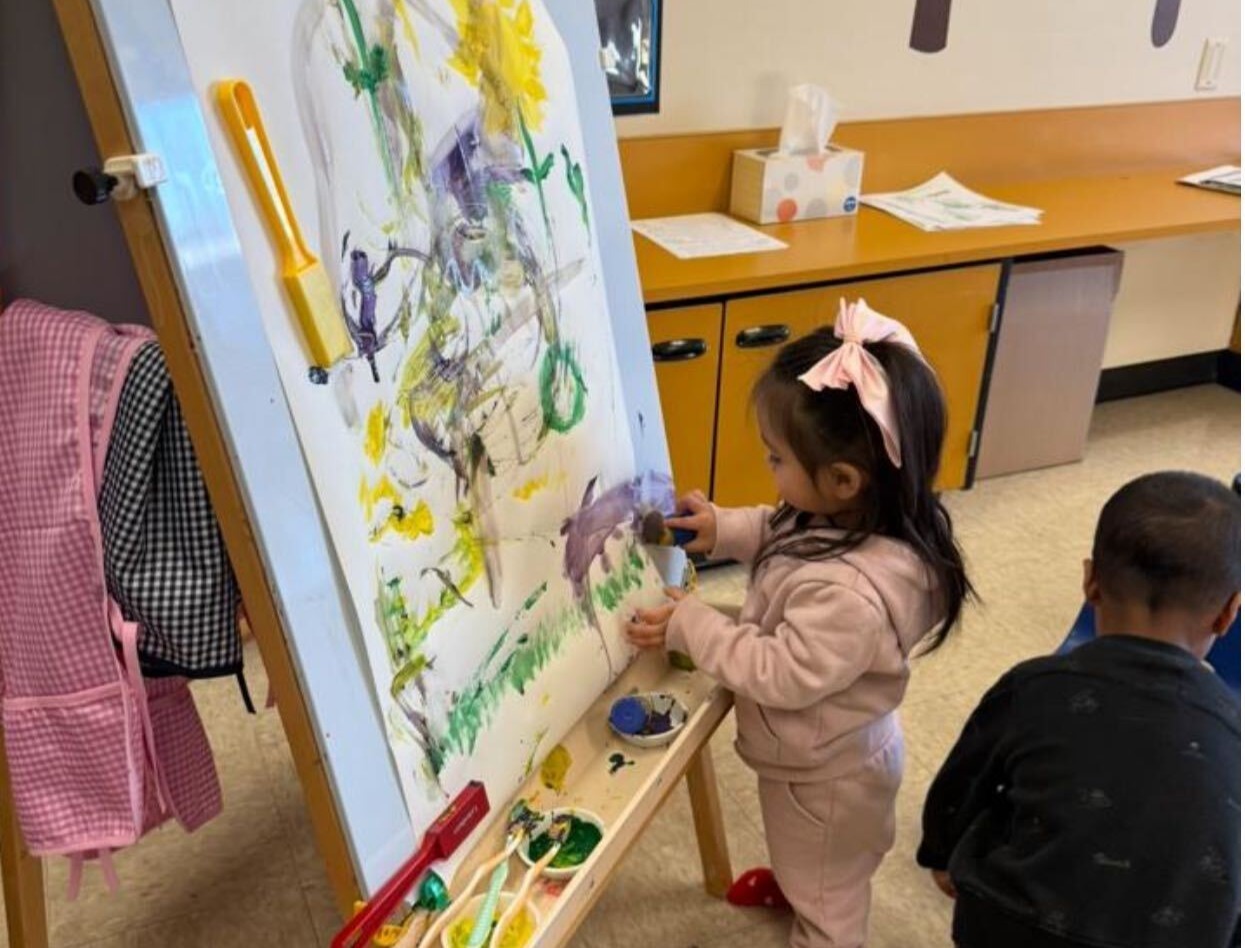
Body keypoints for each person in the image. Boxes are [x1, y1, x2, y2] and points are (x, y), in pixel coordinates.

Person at [626, 299, 972, 948]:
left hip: (827, 777)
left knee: (829, 899)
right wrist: (724, 528)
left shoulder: (849, 595)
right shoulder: (848, 514)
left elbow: (777, 672)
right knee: (810, 864)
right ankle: (798, 882)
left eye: (776, 460)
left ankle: (813, 909)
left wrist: (691, 624)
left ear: (842, 480)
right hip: (820, 752)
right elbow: (780, 529)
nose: (770, 471)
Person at [918, 471, 1242, 948]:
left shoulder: (1033, 686)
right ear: (1229, 614)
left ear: (1090, 582)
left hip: (1011, 927)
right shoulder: (1234, 729)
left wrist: (941, 853)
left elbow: (961, 784)